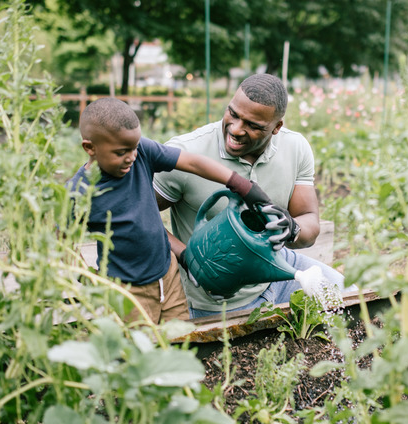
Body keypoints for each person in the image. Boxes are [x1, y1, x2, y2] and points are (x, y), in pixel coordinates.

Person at [154, 73, 351, 319]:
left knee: (353, 299)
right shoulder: (187, 154)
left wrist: (292, 228)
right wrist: (187, 256)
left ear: (277, 127)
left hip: (276, 272)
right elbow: (137, 214)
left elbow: (309, 221)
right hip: (215, 298)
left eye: (253, 126)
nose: (236, 129)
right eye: (233, 114)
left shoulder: (295, 148)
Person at [67, 97, 274, 324]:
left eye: (134, 148)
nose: (132, 156)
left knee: (181, 339)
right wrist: (87, 279)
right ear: (90, 148)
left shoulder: (141, 153)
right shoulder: (80, 193)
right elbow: (62, 242)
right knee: (138, 353)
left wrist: (241, 184)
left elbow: (193, 162)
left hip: (168, 276)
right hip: (126, 292)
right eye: (121, 152)